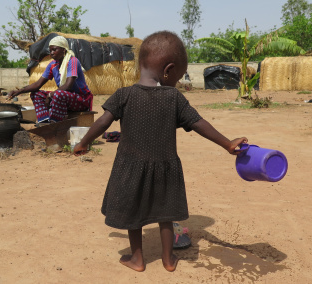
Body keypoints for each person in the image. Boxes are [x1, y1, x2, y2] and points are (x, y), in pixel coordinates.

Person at [73, 31, 248, 272]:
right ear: (168, 70)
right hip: (166, 168)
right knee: (166, 215)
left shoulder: (124, 95)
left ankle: (137, 259)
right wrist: (228, 143)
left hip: (130, 166)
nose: (175, 81)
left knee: (133, 214)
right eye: (177, 76)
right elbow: (199, 123)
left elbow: (103, 122)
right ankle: (168, 260)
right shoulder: (174, 97)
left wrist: (83, 143)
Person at [6, 36, 93, 124]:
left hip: (81, 100)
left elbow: (68, 85)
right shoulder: (52, 65)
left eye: (54, 50)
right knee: (36, 94)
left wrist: (51, 94)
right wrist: (19, 91)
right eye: (50, 50)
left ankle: (55, 123)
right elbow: (38, 84)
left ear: (63, 49)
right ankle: (44, 122)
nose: (51, 53)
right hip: (65, 98)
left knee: (58, 94)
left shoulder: (72, 61)